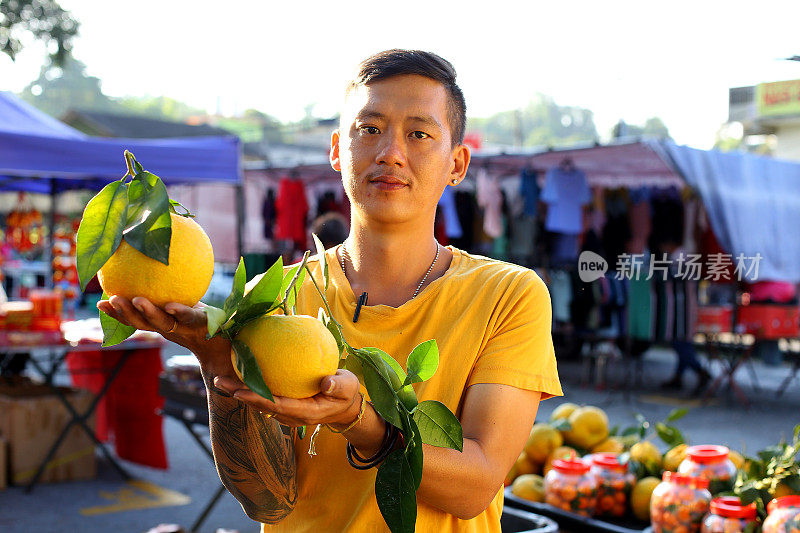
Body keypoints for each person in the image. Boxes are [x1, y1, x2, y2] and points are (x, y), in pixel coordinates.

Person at [99, 49, 562, 532]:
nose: (391, 153)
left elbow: (474, 488)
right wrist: (216, 361)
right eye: (370, 129)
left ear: (457, 164)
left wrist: (362, 423)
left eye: (419, 133)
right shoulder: (273, 298)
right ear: (338, 150)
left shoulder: (508, 295)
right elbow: (268, 502)